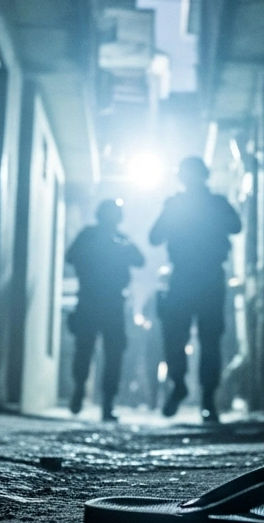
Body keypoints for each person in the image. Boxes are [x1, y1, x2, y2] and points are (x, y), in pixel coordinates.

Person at [149, 157, 242, 423]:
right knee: (194, 339)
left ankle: (202, 396)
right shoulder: (210, 203)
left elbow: (155, 237)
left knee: (192, 338)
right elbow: (155, 237)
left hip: (194, 277)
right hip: (202, 278)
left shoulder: (191, 204)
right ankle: (197, 394)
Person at [66, 199, 145, 421]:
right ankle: (80, 388)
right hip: (91, 300)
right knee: (85, 350)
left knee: (113, 355)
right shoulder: (89, 235)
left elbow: (140, 260)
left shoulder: (122, 239)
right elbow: (70, 257)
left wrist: (122, 249)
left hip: (111, 303)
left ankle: (107, 402)